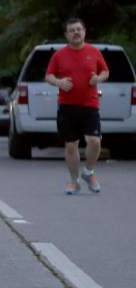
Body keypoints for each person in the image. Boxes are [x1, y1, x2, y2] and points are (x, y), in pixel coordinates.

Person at [45, 18, 109, 195]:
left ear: (84, 32)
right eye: (72, 30)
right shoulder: (59, 55)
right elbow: (48, 76)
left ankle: (88, 171)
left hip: (90, 104)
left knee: (95, 141)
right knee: (71, 145)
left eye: (79, 29)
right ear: (67, 35)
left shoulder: (93, 52)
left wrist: (99, 78)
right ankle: (74, 181)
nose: (76, 33)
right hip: (67, 106)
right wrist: (59, 82)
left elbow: (105, 71)